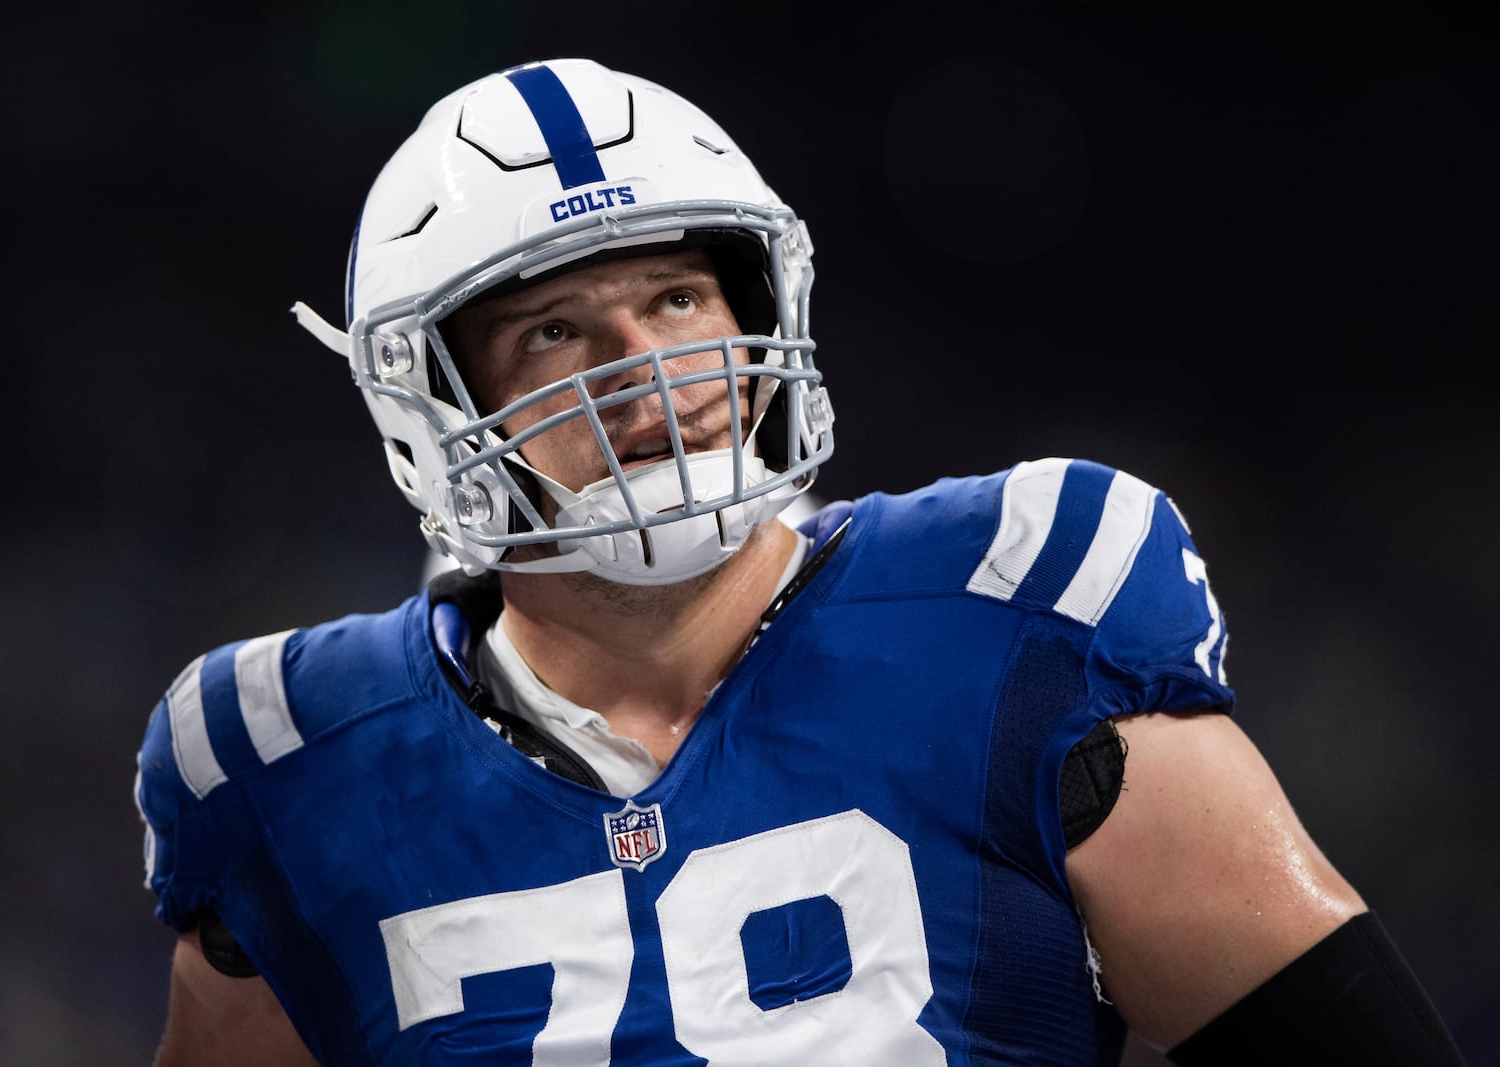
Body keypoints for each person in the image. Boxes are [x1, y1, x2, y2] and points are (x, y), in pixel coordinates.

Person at [134, 58, 1467, 1065]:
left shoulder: (1012, 619)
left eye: (677, 297)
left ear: (761, 310)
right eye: (553, 333)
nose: (647, 372)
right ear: (432, 412)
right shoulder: (287, 765)